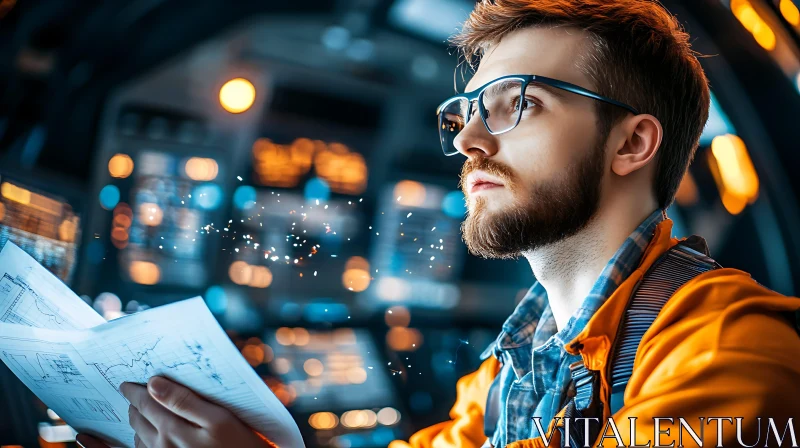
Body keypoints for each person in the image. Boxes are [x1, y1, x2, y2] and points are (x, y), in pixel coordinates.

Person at [78, 1, 800, 447]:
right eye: (466, 113)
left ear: (632, 144)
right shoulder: (515, 362)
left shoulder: (737, 346)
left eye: (517, 103)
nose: (467, 143)